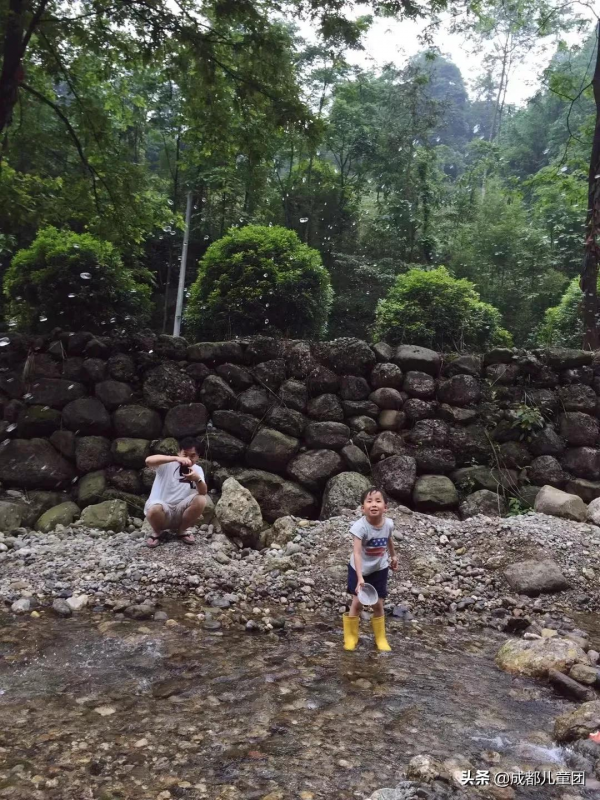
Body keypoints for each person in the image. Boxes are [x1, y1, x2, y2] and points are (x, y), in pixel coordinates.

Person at [343, 487, 398, 652]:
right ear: (362, 508)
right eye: (369, 501)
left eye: (378, 501)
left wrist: (394, 556)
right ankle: (351, 637)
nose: (374, 505)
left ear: (385, 507)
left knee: (378, 603)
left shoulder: (388, 524)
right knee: (357, 602)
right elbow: (357, 553)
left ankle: (380, 638)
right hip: (358, 568)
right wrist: (360, 578)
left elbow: (388, 539)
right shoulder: (360, 527)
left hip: (379, 568)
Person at [144, 437, 207, 548]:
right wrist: (175, 459)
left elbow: (203, 492)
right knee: (154, 509)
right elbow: (148, 461)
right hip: (163, 511)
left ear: (198, 456)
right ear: (179, 452)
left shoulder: (197, 470)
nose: (188, 459)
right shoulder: (167, 464)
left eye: (192, 456)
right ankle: (157, 532)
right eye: (185, 455)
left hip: (180, 512)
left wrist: (197, 479)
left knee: (201, 499)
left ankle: (182, 531)